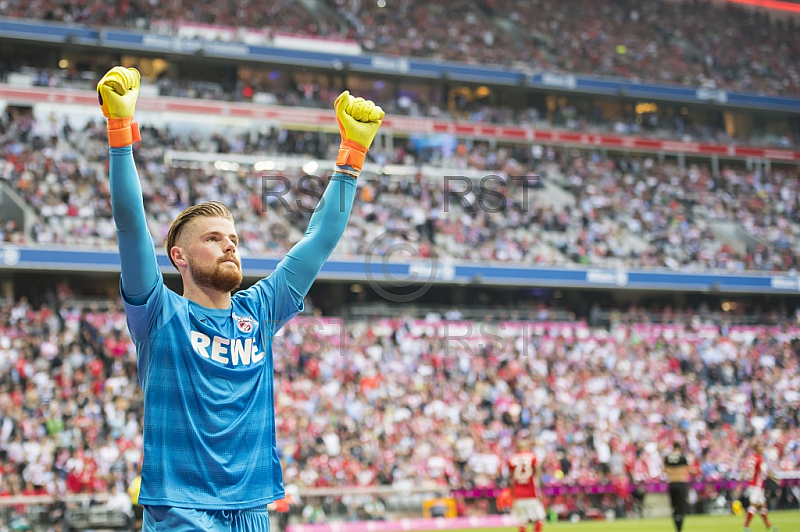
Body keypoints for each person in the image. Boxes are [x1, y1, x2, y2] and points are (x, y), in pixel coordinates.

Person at [96, 66, 384, 531]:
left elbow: (320, 239)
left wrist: (351, 158)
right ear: (179, 257)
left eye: (232, 238)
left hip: (252, 512)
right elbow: (130, 224)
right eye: (212, 239)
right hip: (180, 512)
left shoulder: (260, 309)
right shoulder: (158, 312)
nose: (230, 245)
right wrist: (119, 134)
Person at [508, 438, 546, 532]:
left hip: (518, 493)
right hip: (531, 492)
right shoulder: (532, 456)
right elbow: (537, 473)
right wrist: (542, 488)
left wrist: (511, 491)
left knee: (522, 520)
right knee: (539, 517)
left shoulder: (512, 459)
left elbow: (510, 477)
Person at [742, 441, 778, 532]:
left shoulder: (751, 458)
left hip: (753, 485)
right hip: (756, 486)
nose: (762, 448)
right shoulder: (760, 459)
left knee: (763, 506)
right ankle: (745, 527)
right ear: (756, 448)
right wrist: (775, 480)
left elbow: (746, 470)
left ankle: (769, 527)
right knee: (753, 506)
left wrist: (741, 481)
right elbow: (764, 472)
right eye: (760, 446)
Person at [663, 440, 690, 532]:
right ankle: (680, 528)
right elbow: (688, 470)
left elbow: (665, 470)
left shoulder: (667, 457)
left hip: (672, 483)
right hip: (680, 482)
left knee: (674, 507)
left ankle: (676, 526)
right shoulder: (683, 457)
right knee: (681, 506)